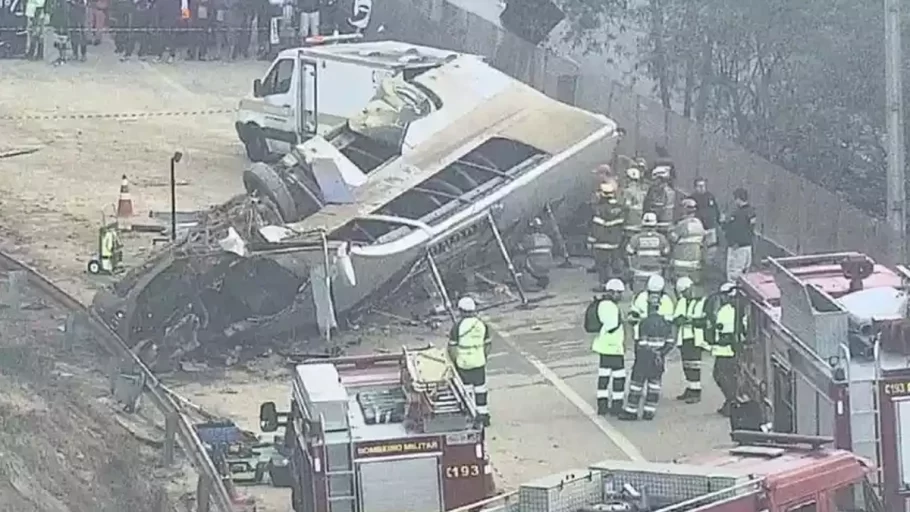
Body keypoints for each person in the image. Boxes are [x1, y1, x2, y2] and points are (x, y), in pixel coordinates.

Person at [619, 291, 674, 421]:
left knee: (636, 386)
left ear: (649, 306)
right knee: (654, 386)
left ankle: (631, 411)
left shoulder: (645, 322)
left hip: (644, 360)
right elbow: (670, 342)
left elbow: (642, 343)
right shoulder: (666, 324)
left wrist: (649, 353)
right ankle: (649, 412)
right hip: (658, 361)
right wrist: (660, 353)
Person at [448, 296, 492, 427]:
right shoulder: (482, 325)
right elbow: (488, 345)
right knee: (481, 389)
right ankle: (483, 415)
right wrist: (482, 356)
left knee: (466, 391)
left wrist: (455, 362)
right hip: (479, 362)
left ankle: (470, 416)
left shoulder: (457, 326)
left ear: (461, 311)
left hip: (463, 363)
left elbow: (452, 347)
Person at [589, 279, 626, 416]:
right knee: (619, 377)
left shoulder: (602, 304)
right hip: (613, 347)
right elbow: (612, 326)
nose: (621, 296)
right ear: (612, 292)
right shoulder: (610, 306)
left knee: (604, 376)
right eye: (619, 293)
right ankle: (617, 406)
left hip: (604, 346)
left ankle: (602, 405)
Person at [673, 277, 708, 403]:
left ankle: (696, 391)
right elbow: (677, 318)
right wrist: (683, 320)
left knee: (694, 365)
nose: (685, 293)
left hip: (695, 338)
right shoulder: (682, 302)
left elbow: (704, 320)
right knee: (686, 365)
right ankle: (690, 387)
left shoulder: (701, 302)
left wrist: (690, 320)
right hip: (684, 337)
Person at [588, 181, 626, 288]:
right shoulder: (619, 208)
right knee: (615, 264)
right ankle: (615, 284)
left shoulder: (599, 209)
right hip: (614, 242)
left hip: (601, 243)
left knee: (602, 265)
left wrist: (591, 240)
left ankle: (604, 285)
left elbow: (596, 227)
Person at [711, 282, 741, 416]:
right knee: (722, 376)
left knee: (723, 376)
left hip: (729, 349)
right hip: (723, 349)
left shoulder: (732, 310)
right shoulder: (727, 309)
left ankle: (732, 402)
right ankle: (730, 401)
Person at [626, 212, 670, 293]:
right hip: (656, 272)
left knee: (639, 297)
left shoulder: (635, 238)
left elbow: (629, 253)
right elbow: (666, 253)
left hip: (639, 272)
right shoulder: (661, 238)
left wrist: (631, 269)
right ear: (655, 225)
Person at [669, 198, 706, 285]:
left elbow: (672, 238)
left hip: (681, 264)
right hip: (695, 263)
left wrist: (670, 229)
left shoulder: (682, 225)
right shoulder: (699, 224)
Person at [723, 187, 756, 283]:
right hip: (748, 246)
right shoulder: (751, 212)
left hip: (737, 247)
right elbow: (750, 229)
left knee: (734, 272)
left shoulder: (738, 214)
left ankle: (732, 293)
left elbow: (734, 230)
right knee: (745, 272)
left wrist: (725, 224)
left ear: (738, 199)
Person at [629, 274, 673, 341]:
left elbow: (669, 321)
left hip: (658, 336)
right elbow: (633, 316)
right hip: (644, 336)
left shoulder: (666, 300)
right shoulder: (642, 297)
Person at [516, 217, 554, 291]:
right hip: (547, 266)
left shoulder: (530, 238)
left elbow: (520, 248)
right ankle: (541, 280)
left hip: (534, 266)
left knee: (517, 260)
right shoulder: (547, 238)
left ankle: (521, 284)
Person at [690, 178, 721, 265]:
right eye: (700, 186)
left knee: (711, 249)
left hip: (710, 227)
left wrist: (717, 221)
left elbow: (715, 209)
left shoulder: (710, 196)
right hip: (699, 228)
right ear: (695, 187)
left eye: (703, 186)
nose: (702, 188)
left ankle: (709, 265)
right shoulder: (692, 199)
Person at [643, 165, 676, 233]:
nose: (653, 182)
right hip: (668, 223)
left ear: (660, 179)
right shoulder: (671, 190)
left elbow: (657, 206)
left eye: (655, 180)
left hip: (660, 224)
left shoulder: (661, 191)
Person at [622, 166, 647, 238]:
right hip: (639, 223)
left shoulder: (628, 191)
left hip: (630, 224)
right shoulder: (641, 191)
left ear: (628, 178)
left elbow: (627, 206)